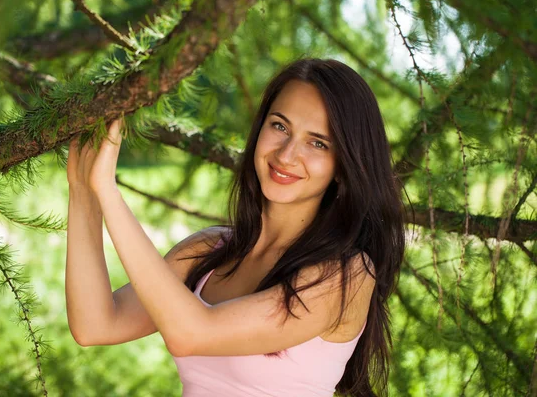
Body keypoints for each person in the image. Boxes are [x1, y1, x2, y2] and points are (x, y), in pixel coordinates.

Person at [65, 57, 406, 397]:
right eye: (280, 126)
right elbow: (96, 324)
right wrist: (83, 192)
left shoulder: (345, 275)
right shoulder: (208, 251)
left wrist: (108, 192)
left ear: (344, 164)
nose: (287, 155)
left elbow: (191, 334)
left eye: (318, 143)